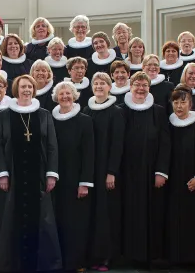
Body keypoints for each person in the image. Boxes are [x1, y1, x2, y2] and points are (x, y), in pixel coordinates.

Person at [0, 75, 62, 273]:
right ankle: (12, 264)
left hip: (39, 176)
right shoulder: (4, 115)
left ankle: (44, 264)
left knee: (43, 221)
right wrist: (2, 174)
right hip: (13, 177)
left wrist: (51, 174)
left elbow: (52, 146)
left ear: (34, 89)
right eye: (23, 87)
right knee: (11, 219)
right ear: (16, 89)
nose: (26, 90)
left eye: (29, 87)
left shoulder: (44, 115)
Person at [119, 71, 171, 266]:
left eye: (144, 85)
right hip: (128, 172)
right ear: (130, 87)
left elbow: (165, 143)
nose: (141, 89)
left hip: (151, 171)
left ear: (149, 88)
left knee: (152, 213)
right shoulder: (121, 109)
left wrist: (161, 171)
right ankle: (130, 255)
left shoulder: (158, 111)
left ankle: (150, 255)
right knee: (130, 212)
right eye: (137, 85)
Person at [82, 72, 124, 272]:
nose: (99, 86)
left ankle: (106, 256)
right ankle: (91, 254)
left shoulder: (116, 112)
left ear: (110, 87)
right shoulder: (86, 110)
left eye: (103, 83)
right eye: (96, 83)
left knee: (105, 214)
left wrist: (111, 171)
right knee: (90, 213)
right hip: (89, 170)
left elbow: (118, 144)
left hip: (106, 171)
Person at [51, 81, 94, 272]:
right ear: (56, 97)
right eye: (61, 94)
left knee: (75, 223)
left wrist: (84, 182)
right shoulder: (49, 119)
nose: (65, 97)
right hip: (56, 179)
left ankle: (76, 262)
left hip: (76, 179)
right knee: (56, 220)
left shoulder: (84, 120)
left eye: (68, 93)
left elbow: (89, 153)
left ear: (75, 96)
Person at [166, 85, 195, 265]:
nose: (179, 106)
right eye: (175, 102)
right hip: (174, 180)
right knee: (175, 220)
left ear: (190, 104)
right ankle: (177, 258)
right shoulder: (169, 126)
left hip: (194, 181)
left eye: (183, 102)